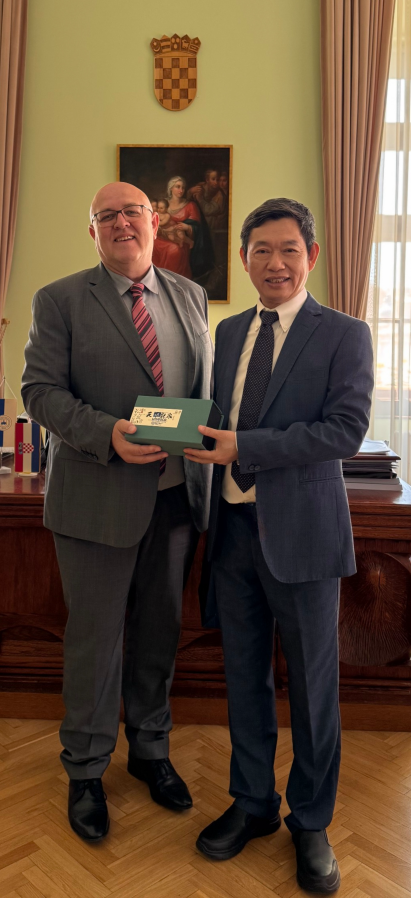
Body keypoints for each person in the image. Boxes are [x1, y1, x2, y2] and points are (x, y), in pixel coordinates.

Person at [184, 198, 373, 894]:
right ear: (244, 260)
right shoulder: (229, 330)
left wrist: (246, 447)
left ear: (311, 256)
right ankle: (254, 802)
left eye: (289, 249)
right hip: (232, 531)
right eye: (261, 250)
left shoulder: (344, 333)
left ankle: (312, 821)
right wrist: (170, 428)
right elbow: (220, 419)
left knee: (314, 688)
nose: (275, 263)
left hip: (305, 537)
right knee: (244, 676)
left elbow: (344, 430)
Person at [22, 181, 213, 843]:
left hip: (176, 498)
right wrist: (107, 433)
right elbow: (39, 392)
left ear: (155, 220)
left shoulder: (190, 296)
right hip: (96, 497)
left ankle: (151, 752)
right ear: (93, 232)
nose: (122, 223)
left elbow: (201, 387)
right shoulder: (60, 299)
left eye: (133, 211)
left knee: (160, 634)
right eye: (108, 216)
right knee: (96, 641)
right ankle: (85, 768)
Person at [152, 175, 213, 280]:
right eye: (178, 187)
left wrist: (187, 227)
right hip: (162, 235)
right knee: (151, 245)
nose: (181, 190)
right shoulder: (163, 203)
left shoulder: (191, 205)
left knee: (174, 250)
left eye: (183, 188)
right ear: (171, 188)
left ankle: (172, 281)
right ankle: (154, 279)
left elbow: (199, 228)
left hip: (180, 238)